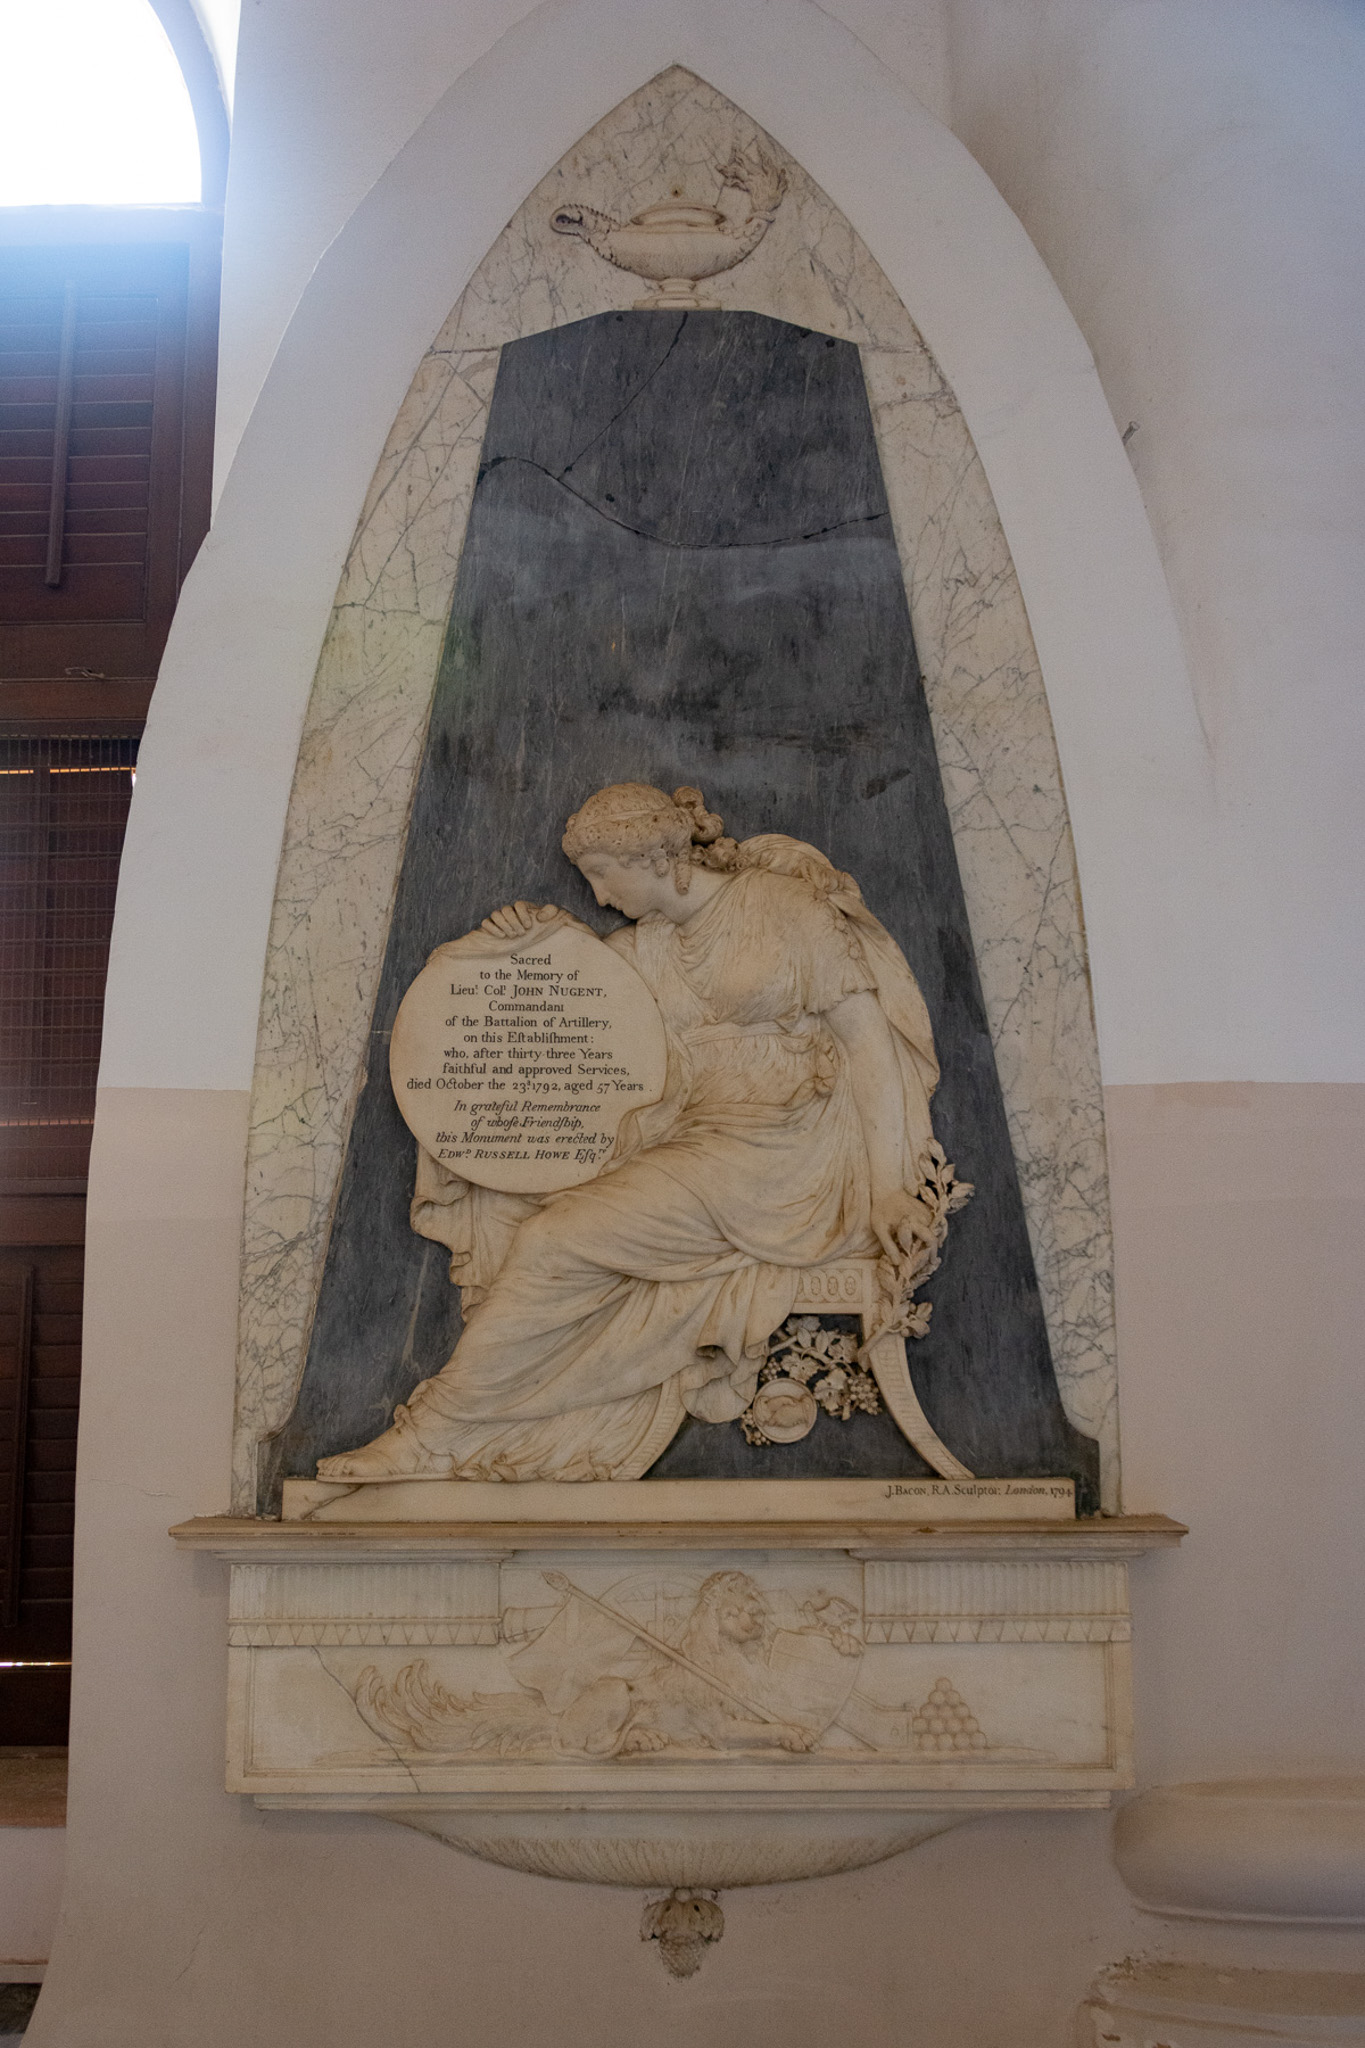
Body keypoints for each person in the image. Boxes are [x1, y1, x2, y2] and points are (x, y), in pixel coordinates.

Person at [318, 783, 943, 1483]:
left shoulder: (782, 907)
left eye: (600, 874)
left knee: (554, 1239)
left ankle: (433, 1433)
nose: (599, 895)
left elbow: (868, 1045)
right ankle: (466, 1427)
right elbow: (561, 988)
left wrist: (889, 1190)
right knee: (531, 1218)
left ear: (651, 856)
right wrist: (517, 940)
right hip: (703, 1144)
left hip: (794, 1155)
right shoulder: (644, 947)